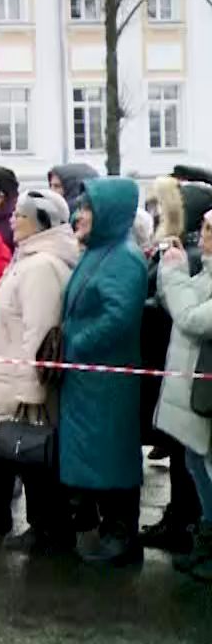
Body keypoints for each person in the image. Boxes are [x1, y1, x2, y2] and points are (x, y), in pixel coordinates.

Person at [0, 190, 80, 554]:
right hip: (10, 374)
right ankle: (44, 526)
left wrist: (30, 391)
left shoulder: (41, 266)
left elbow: (39, 332)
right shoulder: (28, 260)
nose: (12, 220)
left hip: (25, 382)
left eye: (20, 215)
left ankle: (49, 529)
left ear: (41, 222)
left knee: (35, 457)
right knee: (27, 457)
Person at [58, 179, 148, 567]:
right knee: (92, 455)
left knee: (112, 456)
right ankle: (107, 531)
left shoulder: (123, 258)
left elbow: (119, 317)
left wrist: (75, 342)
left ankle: (122, 536)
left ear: (109, 213)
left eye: (88, 209)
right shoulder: (100, 252)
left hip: (105, 378)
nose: (80, 215)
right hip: (88, 378)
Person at [141, 176, 212, 553]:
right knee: (188, 460)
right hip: (174, 372)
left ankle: (191, 526)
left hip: (191, 377)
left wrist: (167, 274)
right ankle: (188, 522)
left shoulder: (190, 261)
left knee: (196, 463)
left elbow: (184, 313)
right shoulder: (189, 258)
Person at [155, 211, 212, 581]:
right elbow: (177, 304)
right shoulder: (206, 271)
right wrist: (176, 269)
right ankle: (207, 542)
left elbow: (191, 317)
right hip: (196, 396)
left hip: (205, 397)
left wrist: (175, 274)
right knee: (198, 466)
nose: (204, 235)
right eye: (205, 227)